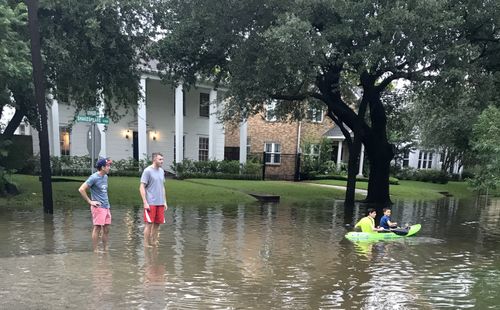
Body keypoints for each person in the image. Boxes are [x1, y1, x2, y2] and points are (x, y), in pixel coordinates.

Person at [79, 158, 113, 252]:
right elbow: (81, 189)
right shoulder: (93, 177)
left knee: (106, 229)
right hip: (98, 207)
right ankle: (96, 250)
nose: (109, 167)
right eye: (108, 166)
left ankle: (106, 249)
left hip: (106, 206)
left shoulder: (105, 177)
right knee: (97, 228)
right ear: (102, 167)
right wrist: (90, 201)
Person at [140, 152, 168, 247]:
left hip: (160, 202)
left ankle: (154, 242)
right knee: (149, 224)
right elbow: (142, 187)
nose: (162, 161)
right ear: (154, 159)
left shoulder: (161, 171)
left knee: (157, 224)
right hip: (150, 202)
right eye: (160, 159)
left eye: (162, 159)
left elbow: (162, 187)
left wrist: (164, 201)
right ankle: (146, 244)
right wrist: (145, 202)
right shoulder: (147, 171)